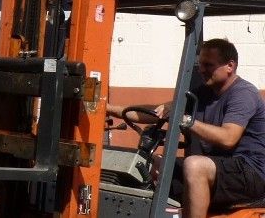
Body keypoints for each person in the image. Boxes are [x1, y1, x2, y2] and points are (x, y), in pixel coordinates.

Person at [107, 38, 265, 218]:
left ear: (230, 66)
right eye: (200, 64)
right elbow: (154, 113)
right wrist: (109, 109)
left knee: (194, 164)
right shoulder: (203, 93)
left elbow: (228, 138)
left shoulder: (243, 94)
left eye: (208, 65)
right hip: (217, 168)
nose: (202, 70)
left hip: (249, 172)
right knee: (151, 163)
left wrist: (187, 121)